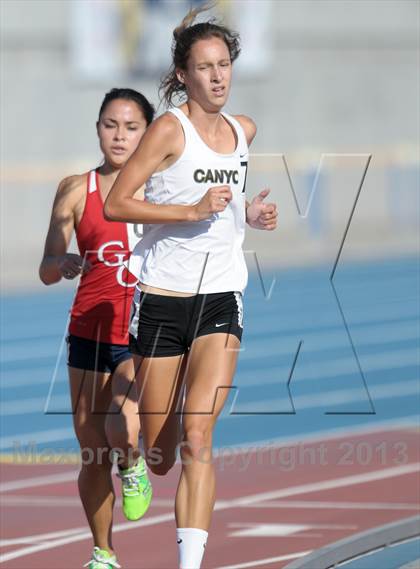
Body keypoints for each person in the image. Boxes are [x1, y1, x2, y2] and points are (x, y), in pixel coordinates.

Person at [104, 7, 277, 569]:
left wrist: (248, 213)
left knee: (198, 439)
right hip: (162, 300)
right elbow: (118, 202)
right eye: (205, 68)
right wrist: (189, 209)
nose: (218, 77)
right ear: (184, 74)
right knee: (159, 454)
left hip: (222, 298)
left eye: (225, 64)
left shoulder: (242, 131)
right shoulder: (166, 129)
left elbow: (223, 201)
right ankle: (137, 452)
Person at [39, 88, 155, 569]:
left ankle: (133, 465)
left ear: (148, 133)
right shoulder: (73, 189)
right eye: (111, 125)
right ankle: (104, 554)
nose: (120, 136)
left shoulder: (162, 186)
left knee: (118, 427)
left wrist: (249, 213)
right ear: (98, 129)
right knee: (91, 454)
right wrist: (60, 260)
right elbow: (45, 267)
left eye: (131, 127)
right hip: (87, 328)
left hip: (138, 330)